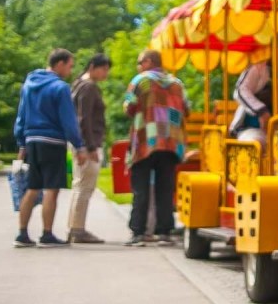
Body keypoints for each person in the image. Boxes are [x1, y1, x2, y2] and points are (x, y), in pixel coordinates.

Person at [13, 49, 88, 247]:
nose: (70, 71)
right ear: (60, 64)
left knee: (32, 188)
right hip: (52, 142)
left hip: (32, 141)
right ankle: (47, 234)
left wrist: (21, 142)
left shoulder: (29, 84)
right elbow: (68, 120)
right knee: (51, 189)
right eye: (70, 66)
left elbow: (21, 116)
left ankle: (22, 234)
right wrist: (79, 146)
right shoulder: (60, 88)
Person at [123, 50, 190, 246]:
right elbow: (187, 110)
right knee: (165, 188)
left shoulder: (141, 81)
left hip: (146, 140)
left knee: (141, 188)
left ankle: (138, 233)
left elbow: (129, 107)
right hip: (170, 142)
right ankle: (164, 232)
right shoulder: (177, 84)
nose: (138, 66)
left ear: (149, 61)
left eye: (139, 62)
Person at [67, 53, 112, 243]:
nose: (106, 74)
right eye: (104, 69)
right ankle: (77, 230)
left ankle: (75, 228)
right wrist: (89, 147)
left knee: (80, 186)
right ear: (93, 66)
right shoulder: (89, 87)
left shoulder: (78, 84)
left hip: (82, 142)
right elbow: (83, 118)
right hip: (88, 143)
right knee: (84, 187)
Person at [228, 32, 278, 143]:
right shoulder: (258, 70)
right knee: (257, 143)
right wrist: (261, 111)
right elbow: (240, 91)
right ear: (276, 50)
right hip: (252, 129)